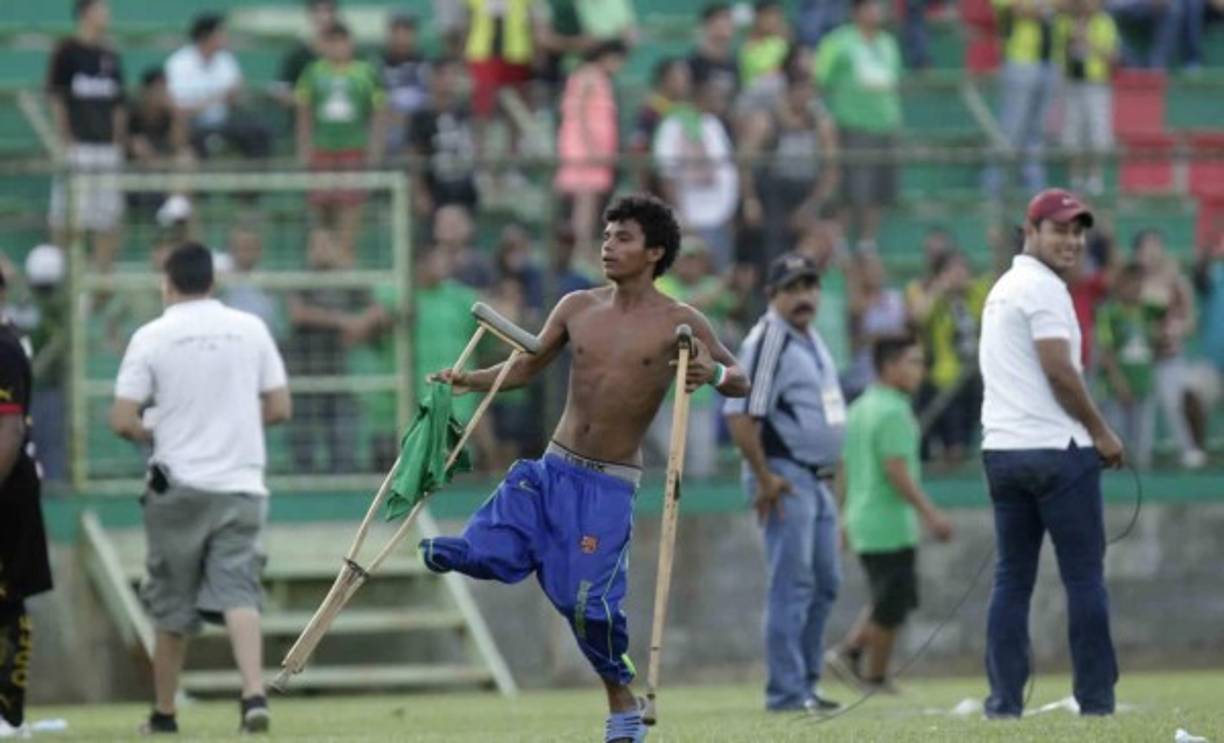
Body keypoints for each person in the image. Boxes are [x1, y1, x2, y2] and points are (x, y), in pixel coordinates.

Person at [421, 195, 750, 743]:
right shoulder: (576, 306)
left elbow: (740, 377)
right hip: (553, 468)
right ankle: (479, 549)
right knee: (493, 533)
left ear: (654, 252)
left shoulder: (680, 321)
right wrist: (469, 379)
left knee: (586, 605)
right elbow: (527, 366)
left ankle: (621, 700)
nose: (608, 246)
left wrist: (710, 373)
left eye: (623, 237)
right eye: (606, 235)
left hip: (608, 485)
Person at [110, 243, 291, 734]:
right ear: (213, 281)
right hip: (241, 483)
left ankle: (165, 713)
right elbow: (278, 407)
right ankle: (253, 693)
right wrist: (230, 422)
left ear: (168, 283)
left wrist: (161, 427)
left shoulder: (151, 336)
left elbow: (123, 420)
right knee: (239, 591)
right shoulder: (249, 329)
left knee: (171, 604)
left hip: (178, 487)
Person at [978, 188, 1122, 718]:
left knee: (1012, 580)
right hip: (1057, 450)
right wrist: (1102, 432)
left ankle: (1004, 703)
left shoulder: (1003, 287)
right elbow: (1059, 369)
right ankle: (1097, 701)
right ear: (1030, 230)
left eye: (1078, 231)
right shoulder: (1043, 289)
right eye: (1059, 229)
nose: (1072, 240)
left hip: (1003, 451)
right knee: (1083, 578)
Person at [724, 253, 847, 713]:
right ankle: (786, 692)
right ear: (772, 295)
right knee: (792, 583)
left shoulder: (809, 337)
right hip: (784, 474)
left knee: (825, 582)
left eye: (810, 286)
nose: (804, 296)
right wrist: (764, 477)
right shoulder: (770, 339)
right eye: (793, 288)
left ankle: (807, 684)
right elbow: (739, 416)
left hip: (815, 478)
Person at [826, 333, 953, 693]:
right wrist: (932, 514)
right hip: (887, 521)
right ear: (889, 366)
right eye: (912, 362)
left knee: (889, 597)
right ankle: (862, 664)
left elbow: (844, 469)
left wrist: (844, 516)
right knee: (891, 602)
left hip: (864, 518)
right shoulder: (894, 410)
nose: (920, 370)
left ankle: (862, 663)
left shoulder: (860, 407)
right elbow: (897, 471)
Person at [0, 271, 54, 738]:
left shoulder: (6, 347)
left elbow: (10, 430)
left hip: (10, 495)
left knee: (10, 602)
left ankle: (9, 714)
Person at [295, 21, 387, 263]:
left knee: (350, 204)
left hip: (353, 148)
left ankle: (347, 254)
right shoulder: (313, 72)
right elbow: (303, 110)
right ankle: (322, 255)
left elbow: (377, 112)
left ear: (351, 43)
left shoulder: (364, 72)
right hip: (322, 148)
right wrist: (304, 148)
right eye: (331, 42)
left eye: (341, 41)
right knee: (321, 206)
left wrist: (375, 150)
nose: (337, 47)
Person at [815, 0, 903, 249]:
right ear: (856, 11)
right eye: (870, 6)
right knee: (851, 190)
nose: (877, 11)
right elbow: (821, 79)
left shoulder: (888, 42)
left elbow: (893, 81)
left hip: (886, 125)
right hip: (853, 124)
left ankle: (867, 242)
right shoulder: (838, 42)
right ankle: (840, 242)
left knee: (879, 190)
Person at [46, 0, 126, 272]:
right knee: (68, 217)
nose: (107, 14)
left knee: (107, 218)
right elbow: (57, 98)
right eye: (102, 8)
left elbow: (118, 102)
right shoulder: (66, 51)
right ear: (86, 13)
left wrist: (117, 141)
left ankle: (101, 276)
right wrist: (65, 138)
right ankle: (65, 274)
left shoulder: (110, 54)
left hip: (106, 147)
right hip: (78, 145)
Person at [285, 230, 367, 473]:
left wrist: (361, 325)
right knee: (303, 443)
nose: (320, 250)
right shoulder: (300, 277)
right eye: (315, 245)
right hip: (303, 368)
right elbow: (298, 313)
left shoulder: (347, 279)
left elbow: (374, 308)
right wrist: (342, 321)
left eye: (326, 244)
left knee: (341, 442)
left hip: (337, 368)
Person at [1132, 229, 1204, 468]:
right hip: (1139, 357)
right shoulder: (1132, 282)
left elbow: (1191, 319)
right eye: (1146, 247)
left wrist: (1178, 329)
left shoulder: (1176, 281)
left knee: (1173, 402)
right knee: (1144, 407)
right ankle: (1141, 457)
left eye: (1156, 246)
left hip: (1170, 354)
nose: (1151, 252)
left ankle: (1189, 450)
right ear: (1138, 252)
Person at [652, 78, 740, 269]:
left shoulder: (713, 124)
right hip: (687, 218)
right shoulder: (673, 125)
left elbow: (727, 170)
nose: (721, 102)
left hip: (718, 216)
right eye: (716, 96)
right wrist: (681, 216)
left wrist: (728, 211)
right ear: (702, 95)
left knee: (719, 271)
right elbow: (667, 173)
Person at [555, 40, 628, 254]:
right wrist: (590, 147)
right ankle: (580, 247)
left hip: (597, 148)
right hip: (585, 149)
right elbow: (578, 113)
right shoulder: (588, 75)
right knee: (584, 201)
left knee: (590, 201)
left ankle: (582, 244)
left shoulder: (601, 78)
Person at [165, 14, 271, 160]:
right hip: (193, 124)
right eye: (220, 33)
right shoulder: (179, 62)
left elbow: (237, 96)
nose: (225, 38)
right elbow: (178, 108)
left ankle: (256, 178)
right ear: (206, 36)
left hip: (224, 122)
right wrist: (215, 100)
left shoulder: (226, 60)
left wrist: (235, 95)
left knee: (258, 130)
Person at [983, 0, 1056, 196]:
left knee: (1038, 130)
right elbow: (1018, 9)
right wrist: (1046, 7)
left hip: (1049, 60)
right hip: (1019, 60)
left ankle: (1034, 188)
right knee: (1011, 128)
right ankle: (993, 187)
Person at [1095, 263, 1158, 469]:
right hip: (1116, 389)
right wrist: (1119, 381)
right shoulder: (1110, 313)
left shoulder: (1147, 311)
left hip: (1143, 383)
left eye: (1139, 283)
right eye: (1130, 283)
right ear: (1119, 286)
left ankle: (1143, 475)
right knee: (1117, 434)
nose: (1135, 288)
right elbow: (1106, 351)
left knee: (1143, 439)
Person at [1054, 0, 1119, 197]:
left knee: (1097, 132)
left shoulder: (1105, 22)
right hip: (1071, 83)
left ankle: (1094, 178)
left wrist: (1090, 43)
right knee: (1072, 133)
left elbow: (1113, 58)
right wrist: (1070, 42)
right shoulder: (1065, 22)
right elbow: (1057, 53)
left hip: (1096, 84)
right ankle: (1075, 179)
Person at [408, 58, 480, 217]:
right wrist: (419, 192)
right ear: (432, 79)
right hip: (436, 190)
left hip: (464, 188)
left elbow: (474, 146)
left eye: (452, 75)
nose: (448, 80)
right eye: (443, 75)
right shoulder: (422, 117)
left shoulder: (464, 112)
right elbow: (415, 157)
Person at [380, 13, 431, 154]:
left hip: (419, 125)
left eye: (407, 33)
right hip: (389, 126)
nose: (402, 39)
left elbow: (430, 98)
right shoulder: (379, 66)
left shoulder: (425, 65)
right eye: (398, 33)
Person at [274, 0, 340, 105]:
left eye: (329, 11)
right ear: (310, 15)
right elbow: (281, 90)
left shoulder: (350, 54)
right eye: (318, 11)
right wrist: (307, 100)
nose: (324, 17)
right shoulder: (296, 54)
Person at [689, 3, 740, 95]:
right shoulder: (693, 63)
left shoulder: (733, 62)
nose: (727, 24)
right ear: (707, 25)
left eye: (729, 20)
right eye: (722, 19)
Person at [740, 1, 792, 87]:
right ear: (758, 16)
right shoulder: (742, 44)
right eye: (769, 15)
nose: (773, 20)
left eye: (776, 16)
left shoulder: (781, 44)